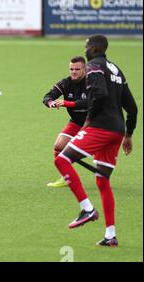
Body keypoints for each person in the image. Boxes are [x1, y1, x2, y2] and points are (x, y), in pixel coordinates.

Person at [54, 35, 138, 246]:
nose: (84, 49)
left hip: (101, 127)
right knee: (102, 179)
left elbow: (98, 94)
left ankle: (87, 209)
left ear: (92, 48)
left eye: (86, 46)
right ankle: (110, 235)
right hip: (117, 131)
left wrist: (89, 120)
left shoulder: (93, 66)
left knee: (61, 159)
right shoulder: (116, 70)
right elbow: (132, 106)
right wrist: (128, 134)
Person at [43, 56, 88, 188]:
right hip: (76, 122)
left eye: (77, 69)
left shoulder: (92, 83)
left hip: (95, 123)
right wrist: (50, 102)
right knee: (59, 145)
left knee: (92, 155)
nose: (73, 71)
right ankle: (66, 177)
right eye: (71, 69)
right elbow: (47, 96)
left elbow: (89, 103)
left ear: (84, 70)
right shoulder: (65, 83)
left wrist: (66, 103)